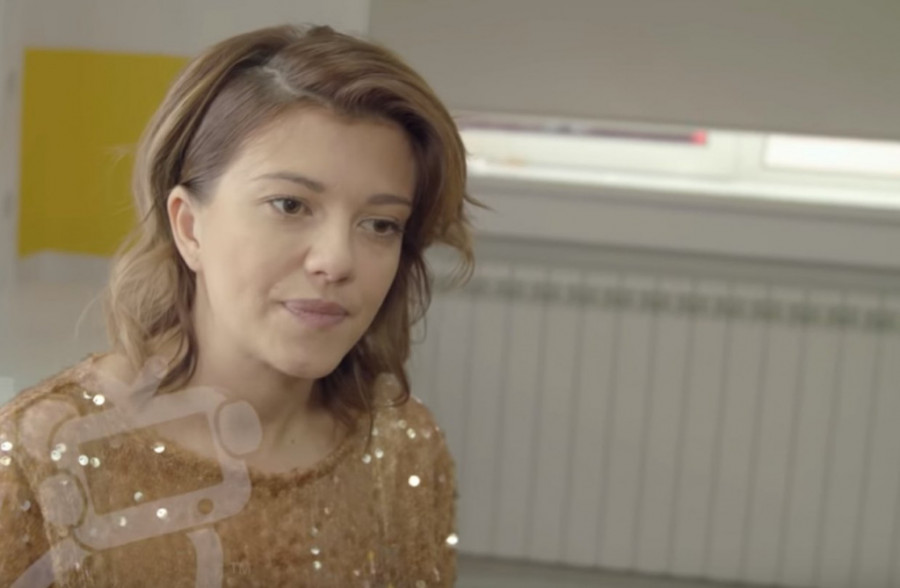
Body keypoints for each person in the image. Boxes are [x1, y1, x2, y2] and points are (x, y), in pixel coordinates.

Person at [0, 23, 474, 587]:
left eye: (380, 224)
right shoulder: (39, 458)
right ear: (189, 227)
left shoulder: (404, 447)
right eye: (290, 205)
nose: (336, 260)